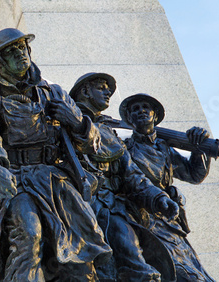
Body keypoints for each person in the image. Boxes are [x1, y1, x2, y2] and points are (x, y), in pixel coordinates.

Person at [0, 28, 112, 281]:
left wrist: (78, 124)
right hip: (15, 179)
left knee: (81, 249)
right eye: (11, 51)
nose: (20, 54)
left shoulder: (53, 92)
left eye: (22, 48)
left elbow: (94, 145)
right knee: (29, 236)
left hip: (55, 181)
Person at [69, 73, 180, 281]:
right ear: (85, 91)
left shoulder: (109, 132)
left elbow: (132, 175)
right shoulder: (65, 122)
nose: (108, 92)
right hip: (78, 204)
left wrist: (158, 198)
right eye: (101, 87)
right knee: (134, 264)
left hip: (111, 206)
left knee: (138, 263)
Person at [120, 93, 215, 281]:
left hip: (169, 220)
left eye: (146, 107)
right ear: (129, 119)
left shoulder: (164, 149)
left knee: (199, 275)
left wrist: (198, 148)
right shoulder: (123, 148)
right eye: (135, 109)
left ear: (155, 116)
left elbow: (195, 175)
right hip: (142, 218)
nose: (141, 111)